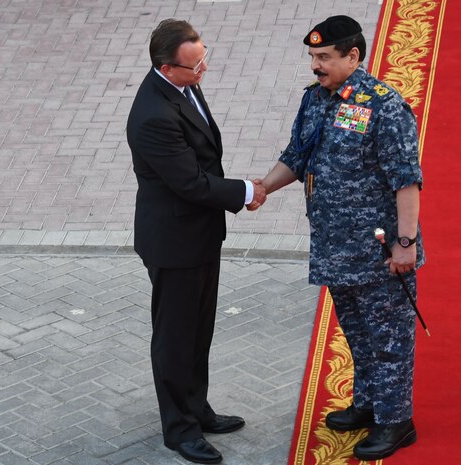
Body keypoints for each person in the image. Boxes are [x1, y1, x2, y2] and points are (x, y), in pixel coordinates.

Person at [256, 15, 425, 461]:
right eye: (312, 56)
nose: (315, 65)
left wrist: (404, 245)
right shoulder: (316, 100)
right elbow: (296, 156)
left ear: (353, 56)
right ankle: (368, 405)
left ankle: (396, 421)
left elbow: (407, 181)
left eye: (324, 57)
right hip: (335, 248)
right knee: (357, 334)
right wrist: (261, 189)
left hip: (378, 252)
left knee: (388, 340)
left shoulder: (385, 106)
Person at [126, 19, 266, 465]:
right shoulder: (153, 115)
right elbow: (189, 182)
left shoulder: (182, 86)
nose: (205, 68)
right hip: (174, 241)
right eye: (196, 65)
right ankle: (179, 429)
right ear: (168, 69)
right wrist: (247, 191)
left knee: (198, 330)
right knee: (175, 336)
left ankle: (197, 408)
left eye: (204, 56)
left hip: (199, 234)